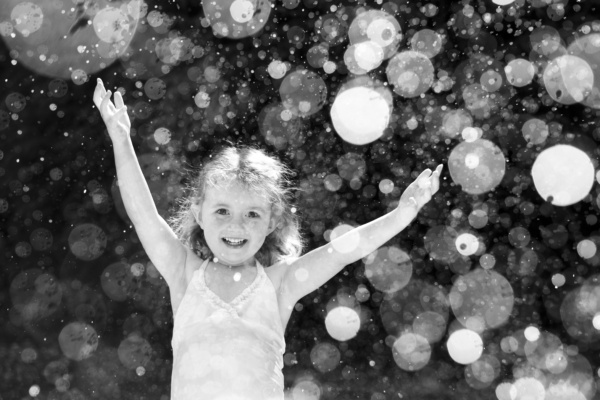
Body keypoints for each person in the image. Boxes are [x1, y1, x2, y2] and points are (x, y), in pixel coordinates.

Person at [93, 78, 442, 400]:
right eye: (222, 212)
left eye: (252, 214)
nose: (237, 225)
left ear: (273, 221)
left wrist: (401, 215)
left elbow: (341, 252)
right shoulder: (183, 272)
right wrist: (121, 138)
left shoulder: (280, 284)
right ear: (199, 213)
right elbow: (144, 216)